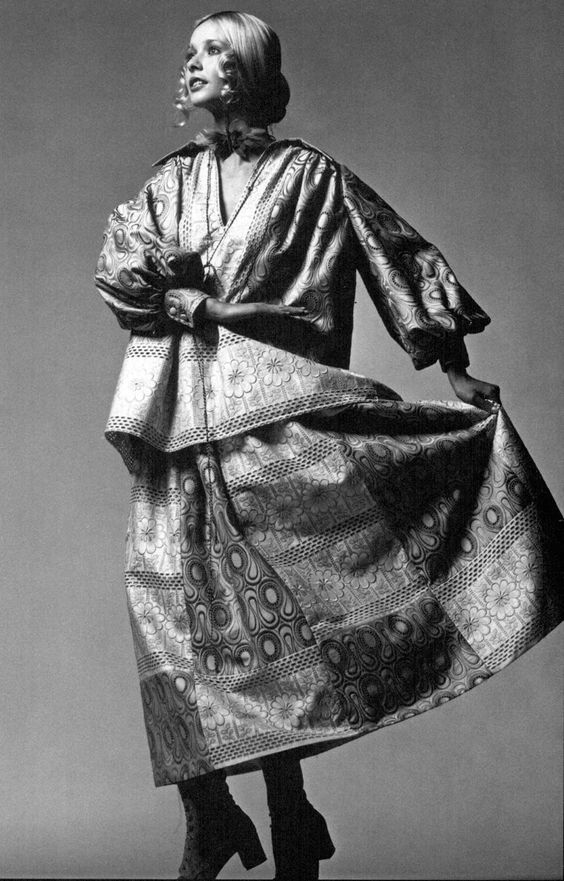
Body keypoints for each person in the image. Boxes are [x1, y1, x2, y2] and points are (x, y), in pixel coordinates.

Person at [95, 11, 563, 880]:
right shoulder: (169, 182)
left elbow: (392, 253)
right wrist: (184, 300)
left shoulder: (313, 177)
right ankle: (216, 810)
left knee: (281, 623)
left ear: (245, 71)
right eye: (190, 53)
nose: (190, 66)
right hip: (178, 430)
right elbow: (124, 271)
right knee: (167, 612)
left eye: (209, 53)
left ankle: (285, 816)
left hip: (279, 420)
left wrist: (453, 366)